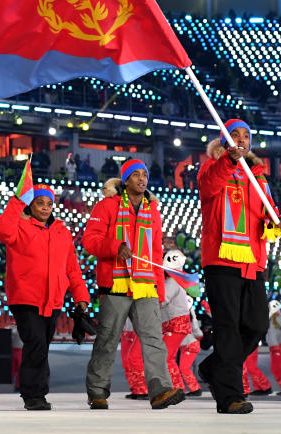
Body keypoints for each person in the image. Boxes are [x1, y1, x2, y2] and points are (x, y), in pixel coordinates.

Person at [196, 119, 281, 414]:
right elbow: (208, 188)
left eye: (245, 136)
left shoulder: (259, 176)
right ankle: (230, 397)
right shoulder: (211, 166)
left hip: (252, 262)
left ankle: (214, 366)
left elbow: (269, 212)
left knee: (257, 324)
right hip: (221, 261)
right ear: (224, 141)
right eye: (234, 135)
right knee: (227, 329)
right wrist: (228, 161)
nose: (240, 139)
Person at [83, 159, 183, 410]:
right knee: (107, 338)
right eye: (135, 175)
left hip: (146, 284)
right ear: (125, 180)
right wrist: (115, 247)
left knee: (153, 338)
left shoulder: (154, 211)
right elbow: (90, 240)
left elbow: (157, 252)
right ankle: (97, 392)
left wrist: (160, 288)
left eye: (144, 175)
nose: (141, 179)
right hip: (116, 283)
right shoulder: (107, 206)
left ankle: (159, 390)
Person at [0, 182, 90, 410]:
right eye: (39, 203)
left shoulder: (62, 233)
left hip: (53, 299)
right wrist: (18, 201)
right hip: (25, 298)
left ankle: (37, 393)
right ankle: (33, 395)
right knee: (36, 343)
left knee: (41, 346)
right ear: (30, 204)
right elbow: (2, 229)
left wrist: (81, 297)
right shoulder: (19, 227)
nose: (45, 208)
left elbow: (72, 268)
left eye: (49, 203)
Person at [159, 250, 193, 393]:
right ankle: (175, 387)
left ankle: (175, 388)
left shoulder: (172, 281)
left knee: (167, 357)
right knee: (168, 357)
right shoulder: (178, 280)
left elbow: (163, 299)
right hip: (177, 323)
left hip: (175, 324)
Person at [178, 297, 203, 396]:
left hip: (190, 344)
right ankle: (193, 389)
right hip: (187, 344)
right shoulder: (189, 314)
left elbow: (197, 330)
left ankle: (195, 389)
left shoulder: (189, 316)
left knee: (184, 368)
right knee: (184, 368)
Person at [119, 320, 147, 399]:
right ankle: (136, 389)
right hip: (126, 330)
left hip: (139, 330)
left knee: (135, 359)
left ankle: (144, 390)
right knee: (126, 362)